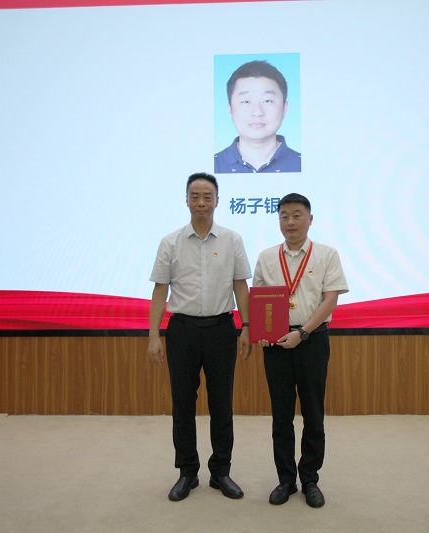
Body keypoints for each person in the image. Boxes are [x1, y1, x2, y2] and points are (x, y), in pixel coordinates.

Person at [148, 172, 252, 502]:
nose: (202, 202)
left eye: (208, 196)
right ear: (187, 200)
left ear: (218, 201)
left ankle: (221, 471)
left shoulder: (232, 240)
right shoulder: (170, 242)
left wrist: (247, 326)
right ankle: (187, 472)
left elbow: (240, 285)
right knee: (183, 403)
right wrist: (154, 335)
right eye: (195, 196)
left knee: (222, 403)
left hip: (222, 329)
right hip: (183, 331)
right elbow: (160, 290)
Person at [252, 193, 349, 508]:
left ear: (310, 219)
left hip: (312, 341)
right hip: (276, 343)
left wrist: (303, 333)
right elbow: (261, 301)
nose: (290, 222)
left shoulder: (326, 254)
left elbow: (330, 300)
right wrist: (262, 333)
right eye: (284, 216)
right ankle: (285, 480)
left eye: (296, 215)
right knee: (281, 416)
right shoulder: (267, 257)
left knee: (313, 413)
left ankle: (310, 480)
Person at [214, 60, 301, 174]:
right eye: (246, 101)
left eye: (267, 100)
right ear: (230, 109)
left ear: (284, 108)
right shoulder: (213, 164)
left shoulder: (302, 163)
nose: (257, 112)